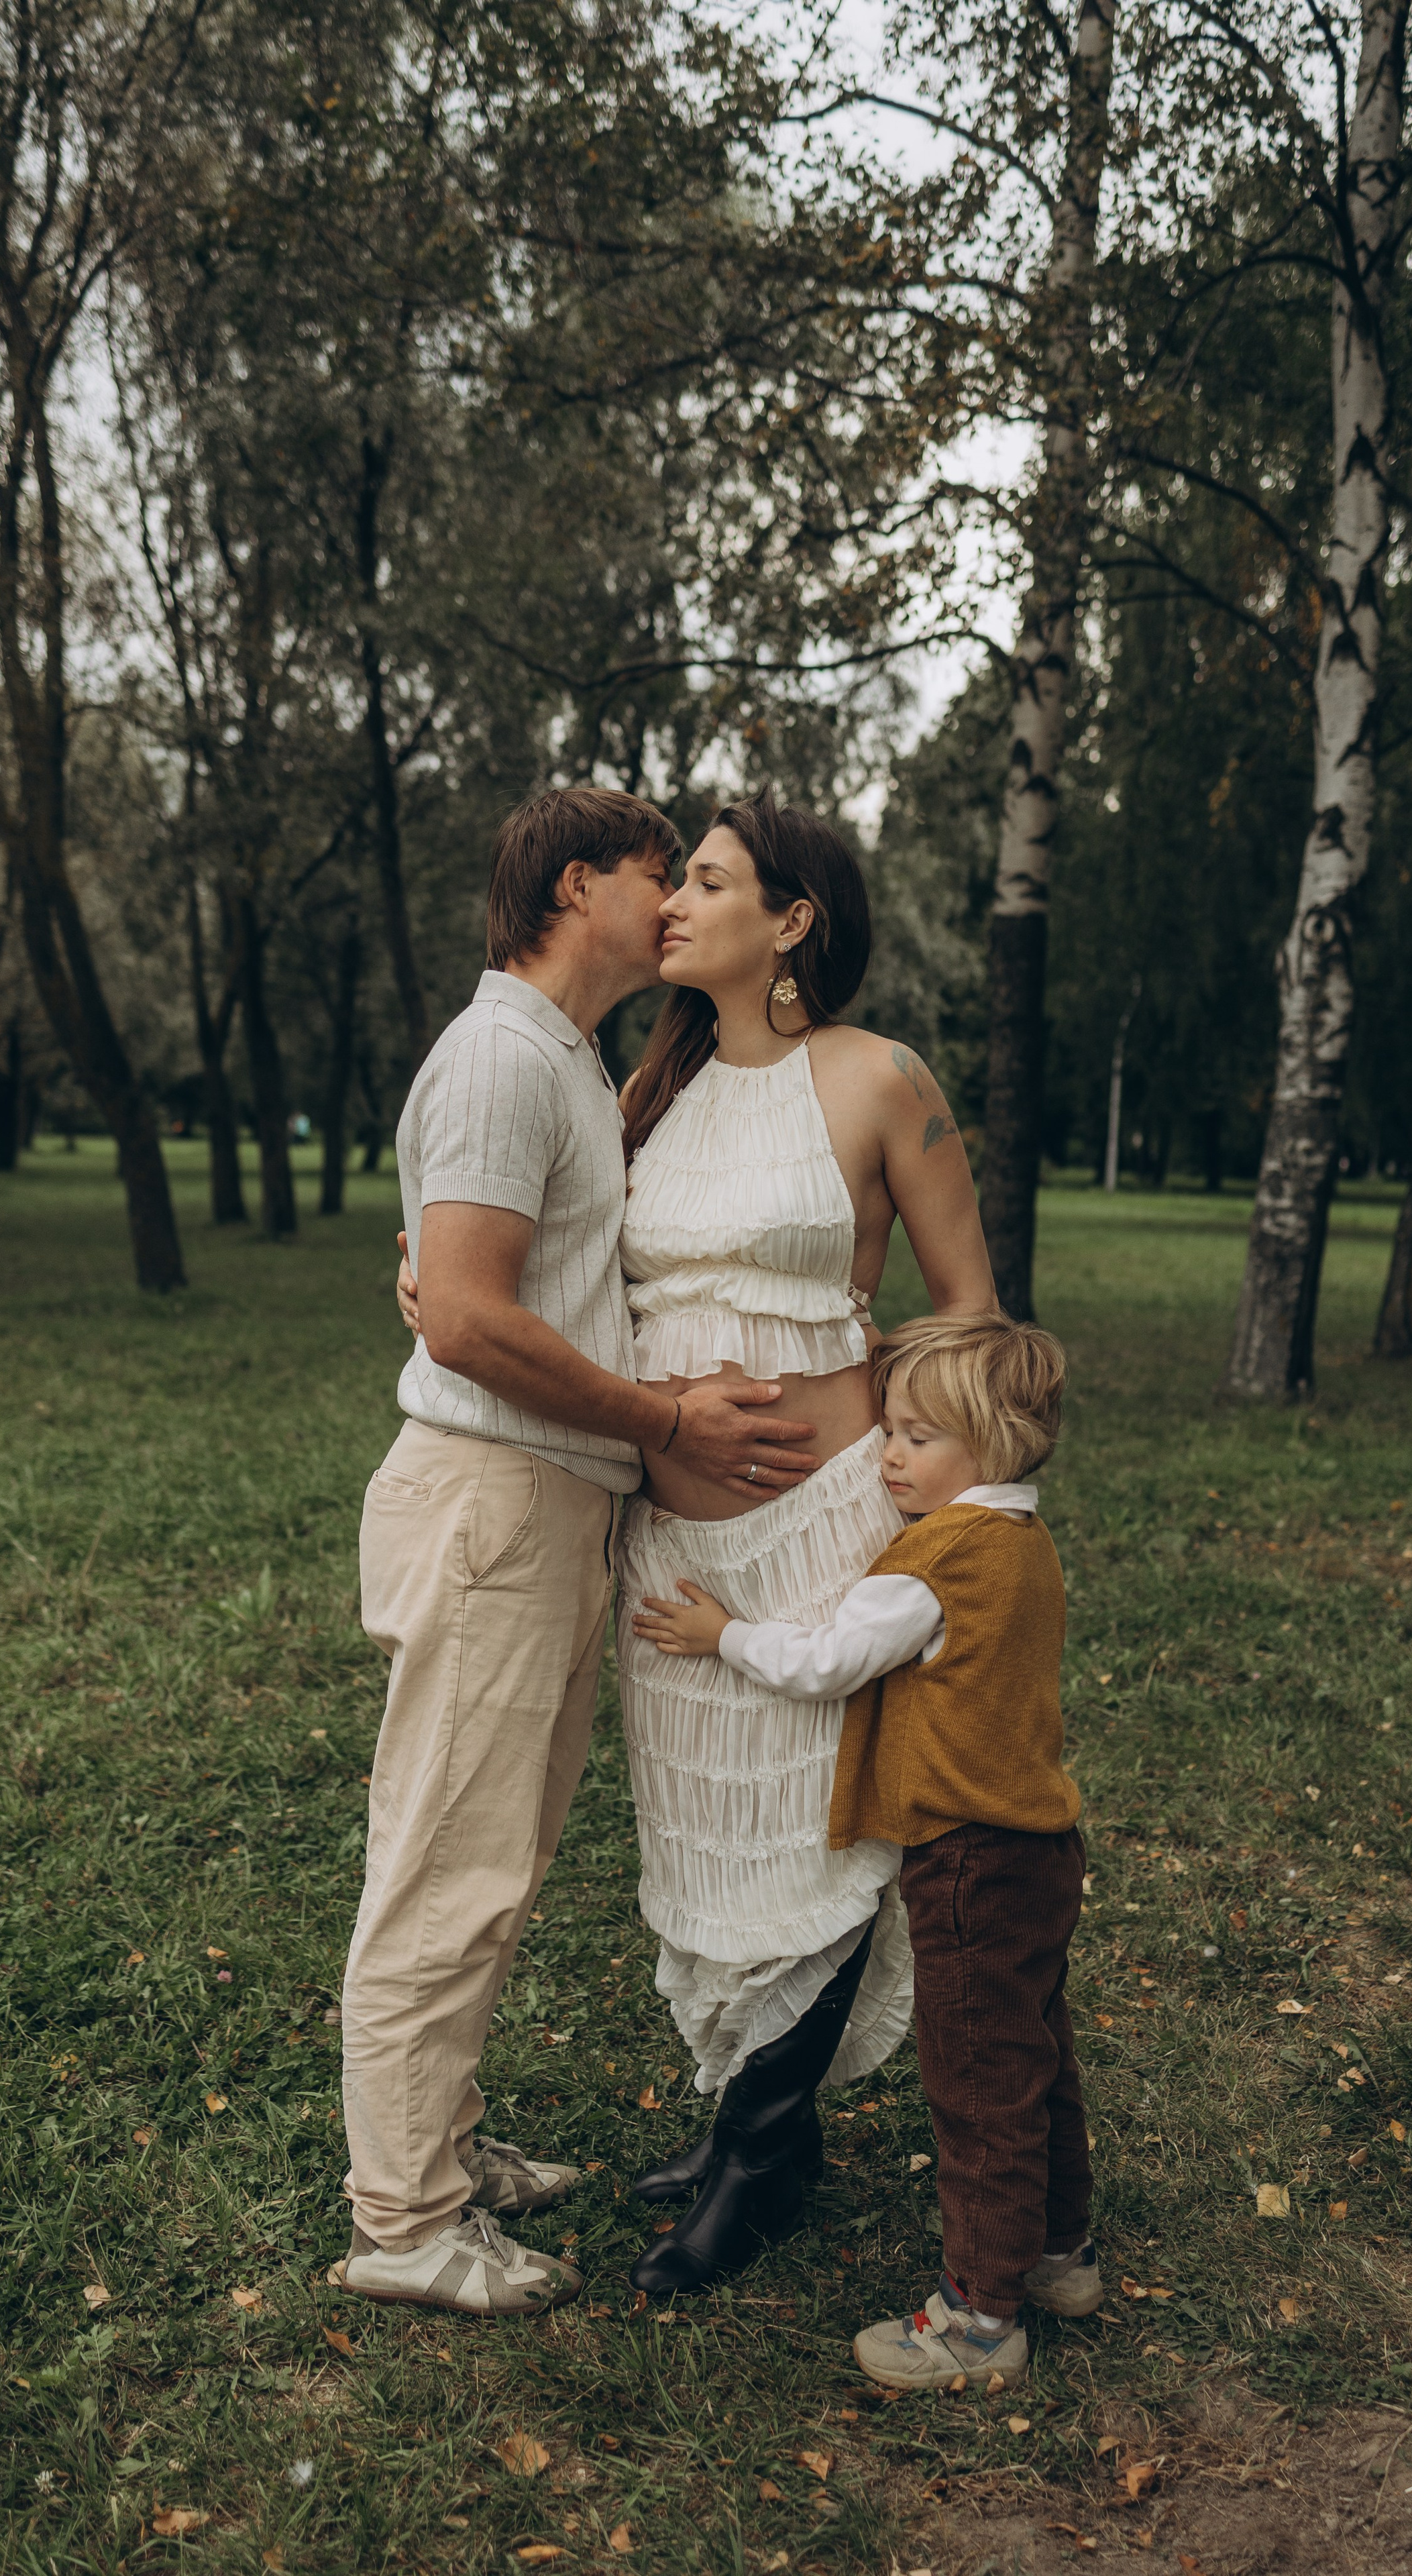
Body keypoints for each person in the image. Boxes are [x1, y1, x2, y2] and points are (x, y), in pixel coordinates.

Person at [343, 786, 823, 2322]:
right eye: (652, 870)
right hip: (491, 1503)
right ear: (573, 886)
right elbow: (470, 1317)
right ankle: (403, 2221)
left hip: (545, 1510)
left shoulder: (567, 1060)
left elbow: (498, 1278)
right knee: (446, 1872)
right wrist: (661, 1417)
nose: (671, 897)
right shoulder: (500, 1056)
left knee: (493, 1862)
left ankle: (441, 2149)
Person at [610, 789, 997, 2298]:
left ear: (792, 922)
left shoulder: (878, 1079)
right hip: (671, 1554)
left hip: (827, 1530)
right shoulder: (647, 1093)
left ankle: (762, 2164)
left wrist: (936, 1487)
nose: (672, 903)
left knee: (815, 1843)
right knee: (707, 1843)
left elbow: (968, 1312)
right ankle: (748, 2129)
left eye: (706, 882)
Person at [633, 1309, 1101, 2383]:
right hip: (1040, 1847)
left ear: (997, 1445)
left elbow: (828, 1662)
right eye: (889, 1430)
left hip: (968, 1859)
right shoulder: (1024, 1544)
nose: (888, 1455)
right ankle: (1058, 2252)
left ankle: (979, 2319)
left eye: (918, 1438)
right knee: (1038, 2057)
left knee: (979, 2088)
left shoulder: (934, 1560)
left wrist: (721, 1635)